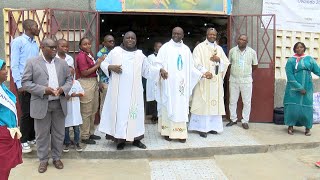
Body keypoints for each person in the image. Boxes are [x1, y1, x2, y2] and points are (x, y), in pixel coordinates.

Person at [98, 31, 168, 150]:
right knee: (120, 114)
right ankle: (120, 140)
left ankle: (136, 139)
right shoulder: (115, 52)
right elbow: (103, 64)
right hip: (119, 93)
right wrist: (111, 67)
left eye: (133, 38)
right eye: (128, 38)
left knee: (135, 115)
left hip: (134, 92)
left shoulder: (140, 55)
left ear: (136, 40)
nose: (130, 40)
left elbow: (148, 70)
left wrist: (160, 70)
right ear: (123, 39)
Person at [22, 38, 72, 173]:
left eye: (56, 47)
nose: (55, 50)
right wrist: (44, 90)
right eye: (51, 47)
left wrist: (62, 89)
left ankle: (56, 158)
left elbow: (69, 79)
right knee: (41, 134)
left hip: (59, 104)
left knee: (59, 134)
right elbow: (25, 83)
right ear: (43, 47)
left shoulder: (62, 63)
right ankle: (43, 160)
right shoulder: (32, 62)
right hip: (41, 103)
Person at [156, 27, 207, 143]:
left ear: (183, 35)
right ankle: (168, 132)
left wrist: (201, 74)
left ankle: (181, 133)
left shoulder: (186, 50)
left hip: (181, 87)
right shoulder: (165, 48)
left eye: (179, 34)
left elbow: (191, 68)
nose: (176, 35)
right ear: (172, 34)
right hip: (168, 84)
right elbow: (157, 64)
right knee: (168, 104)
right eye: (174, 33)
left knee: (181, 107)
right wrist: (161, 70)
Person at [189, 28, 230, 138]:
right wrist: (204, 72)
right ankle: (202, 128)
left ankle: (213, 127)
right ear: (206, 35)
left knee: (214, 104)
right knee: (203, 103)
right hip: (204, 80)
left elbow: (226, 63)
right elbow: (195, 63)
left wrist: (219, 60)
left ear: (216, 36)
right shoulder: (200, 48)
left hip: (216, 82)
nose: (212, 36)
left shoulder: (219, 49)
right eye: (210, 34)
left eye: (214, 35)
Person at [10, 19, 39, 153]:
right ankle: (23, 140)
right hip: (24, 83)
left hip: (34, 83)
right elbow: (14, 64)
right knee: (26, 112)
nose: (37, 28)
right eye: (35, 26)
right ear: (29, 27)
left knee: (34, 111)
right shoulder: (18, 42)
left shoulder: (35, 43)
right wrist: (19, 84)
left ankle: (32, 136)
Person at [283, 42, 320, 136]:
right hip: (293, 89)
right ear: (294, 49)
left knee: (307, 107)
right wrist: (299, 88)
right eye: (297, 47)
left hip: (307, 88)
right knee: (292, 108)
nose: (299, 49)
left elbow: (317, 70)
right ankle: (290, 126)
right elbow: (290, 76)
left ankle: (307, 128)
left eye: (301, 47)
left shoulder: (309, 59)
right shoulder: (291, 61)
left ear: (304, 48)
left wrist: (304, 88)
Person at [76, 37, 105, 144]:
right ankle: (84, 136)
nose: (88, 46)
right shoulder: (81, 56)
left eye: (89, 44)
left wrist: (98, 62)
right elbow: (84, 72)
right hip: (86, 82)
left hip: (93, 81)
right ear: (80, 46)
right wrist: (98, 64)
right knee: (86, 110)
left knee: (93, 109)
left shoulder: (89, 55)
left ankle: (90, 132)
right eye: (85, 44)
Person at [56, 39, 83, 152]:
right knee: (64, 122)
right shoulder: (54, 58)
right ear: (57, 46)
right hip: (59, 86)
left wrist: (73, 93)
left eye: (67, 46)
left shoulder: (70, 59)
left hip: (74, 106)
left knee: (76, 125)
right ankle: (65, 142)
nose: (65, 48)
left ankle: (76, 142)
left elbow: (81, 92)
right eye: (63, 46)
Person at [226, 34, 258, 130]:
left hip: (246, 80)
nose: (242, 41)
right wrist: (236, 72)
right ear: (237, 40)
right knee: (232, 100)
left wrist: (246, 72)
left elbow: (255, 65)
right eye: (240, 39)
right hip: (234, 80)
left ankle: (245, 121)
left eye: (244, 40)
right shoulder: (232, 51)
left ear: (246, 42)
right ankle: (233, 119)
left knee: (247, 101)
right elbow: (229, 64)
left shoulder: (252, 52)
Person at [0, 59, 23, 180]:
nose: (6, 71)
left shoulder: (3, 87)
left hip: (9, 132)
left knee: (5, 168)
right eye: (3, 69)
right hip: (1, 133)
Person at [63, 67, 84, 152]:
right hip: (67, 110)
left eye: (72, 74)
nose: (71, 77)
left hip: (75, 110)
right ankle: (67, 143)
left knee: (76, 128)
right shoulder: (63, 84)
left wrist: (77, 95)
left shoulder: (77, 83)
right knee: (66, 128)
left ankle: (77, 143)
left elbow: (82, 93)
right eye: (69, 75)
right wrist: (66, 96)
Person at [96, 35, 115, 127]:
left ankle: (111, 122)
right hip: (105, 82)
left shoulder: (115, 52)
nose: (112, 43)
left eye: (113, 41)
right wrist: (99, 82)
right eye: (109, 41)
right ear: (104, 43)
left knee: (113, 102)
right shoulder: (101, 53)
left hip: (114, 81)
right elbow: (98, 68)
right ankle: (103, 124)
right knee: (104, 103)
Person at [146, 41, 162, 123]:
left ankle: (160, 115)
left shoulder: (164, 57)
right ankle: (154, 115)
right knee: (154, 99)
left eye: (161, 46)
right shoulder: (150, 57)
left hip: (161, 79)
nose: (160, 48)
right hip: (152, 80)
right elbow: (148, 68)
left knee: (161, 98)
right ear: (155, 47)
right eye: (158, 46)